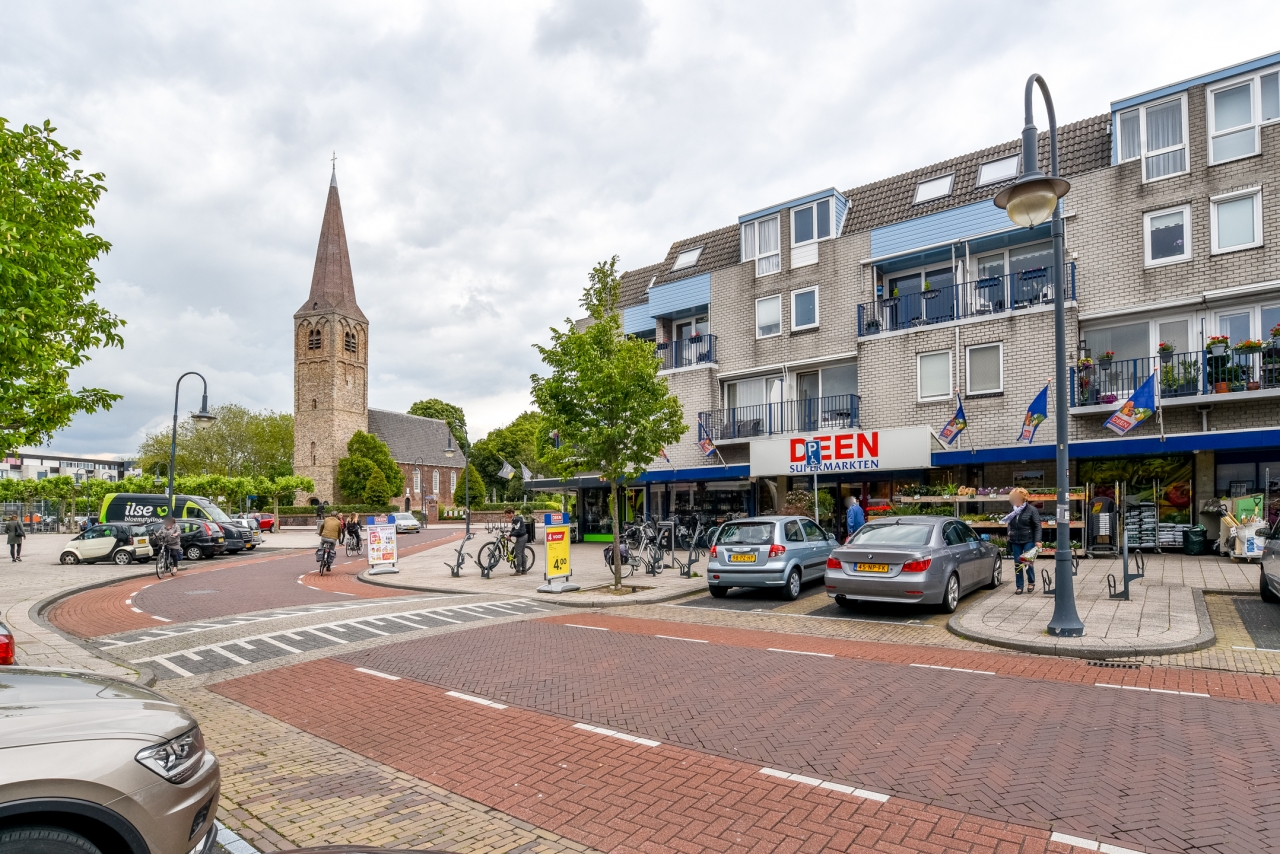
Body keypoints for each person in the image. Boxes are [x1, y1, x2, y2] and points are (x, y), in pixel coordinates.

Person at [1004, 487, 1042, 594]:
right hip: (1015, 540)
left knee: (1026, 561)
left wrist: (1038, 540)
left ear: (1023, 498)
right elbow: (1010, 523)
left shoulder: (1032, 510)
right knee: (1017, 563)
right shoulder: (1012, 510)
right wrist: (1009, 531)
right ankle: (1019, 586)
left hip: (1028, 539)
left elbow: (1037, 526)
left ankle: (1031, 581)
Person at [505, 506, 528, 574]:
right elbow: (513, 529)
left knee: (518, 554)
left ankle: (518, 571)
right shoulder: (516, 519)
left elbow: (517, 530)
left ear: (511, 513)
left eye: (507, 515)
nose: (507, 516)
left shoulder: (516, 519)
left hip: (521, 537)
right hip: (524, 536)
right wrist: (510, 535)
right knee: (522, 553)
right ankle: (524, 570)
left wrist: (510, 535)